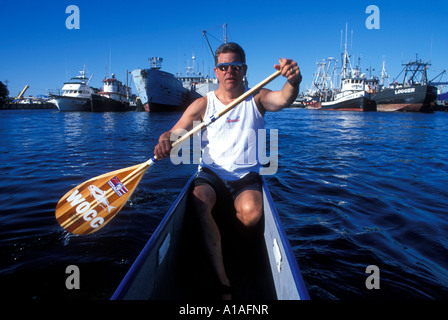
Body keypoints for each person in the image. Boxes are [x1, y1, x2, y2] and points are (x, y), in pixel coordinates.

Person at [154, 42, 301, 299]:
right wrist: (165, 138)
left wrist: (294, 81)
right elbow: (175, 130)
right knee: (199, 201)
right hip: (211, 173)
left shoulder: (257, 97)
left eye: (235, 66)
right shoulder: (203, 104)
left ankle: (236, 248)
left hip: (245, 176)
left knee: (252, 213)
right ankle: (223, 282)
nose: (229, 71)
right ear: (216, 71)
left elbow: (284, 98)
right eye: (224, 66)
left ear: (244, 70)